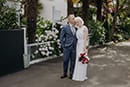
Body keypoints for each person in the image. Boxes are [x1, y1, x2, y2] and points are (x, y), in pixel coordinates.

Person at [60, 14, 77, 79]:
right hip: (67, 47)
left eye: (74, 18)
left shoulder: (76, 27)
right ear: (69, 20)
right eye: (72, 18)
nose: (74, 19)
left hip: (74, 47)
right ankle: (64, 73)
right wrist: (63, 46)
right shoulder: (65, 27)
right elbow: (61, 37)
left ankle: (71, 74)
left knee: (73, 61)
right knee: (65, 60)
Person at [72, 17, 89, 81]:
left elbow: (85, 39)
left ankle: (82, 75)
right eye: (76, 22)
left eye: (78, 22)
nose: (77, 23)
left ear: (81, 21)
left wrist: (85, 48)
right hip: (78, 45)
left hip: (82, 44)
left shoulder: (85, 28)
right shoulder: (78, 28)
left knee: (82, 59)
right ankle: (77, 75)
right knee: (78, 59)